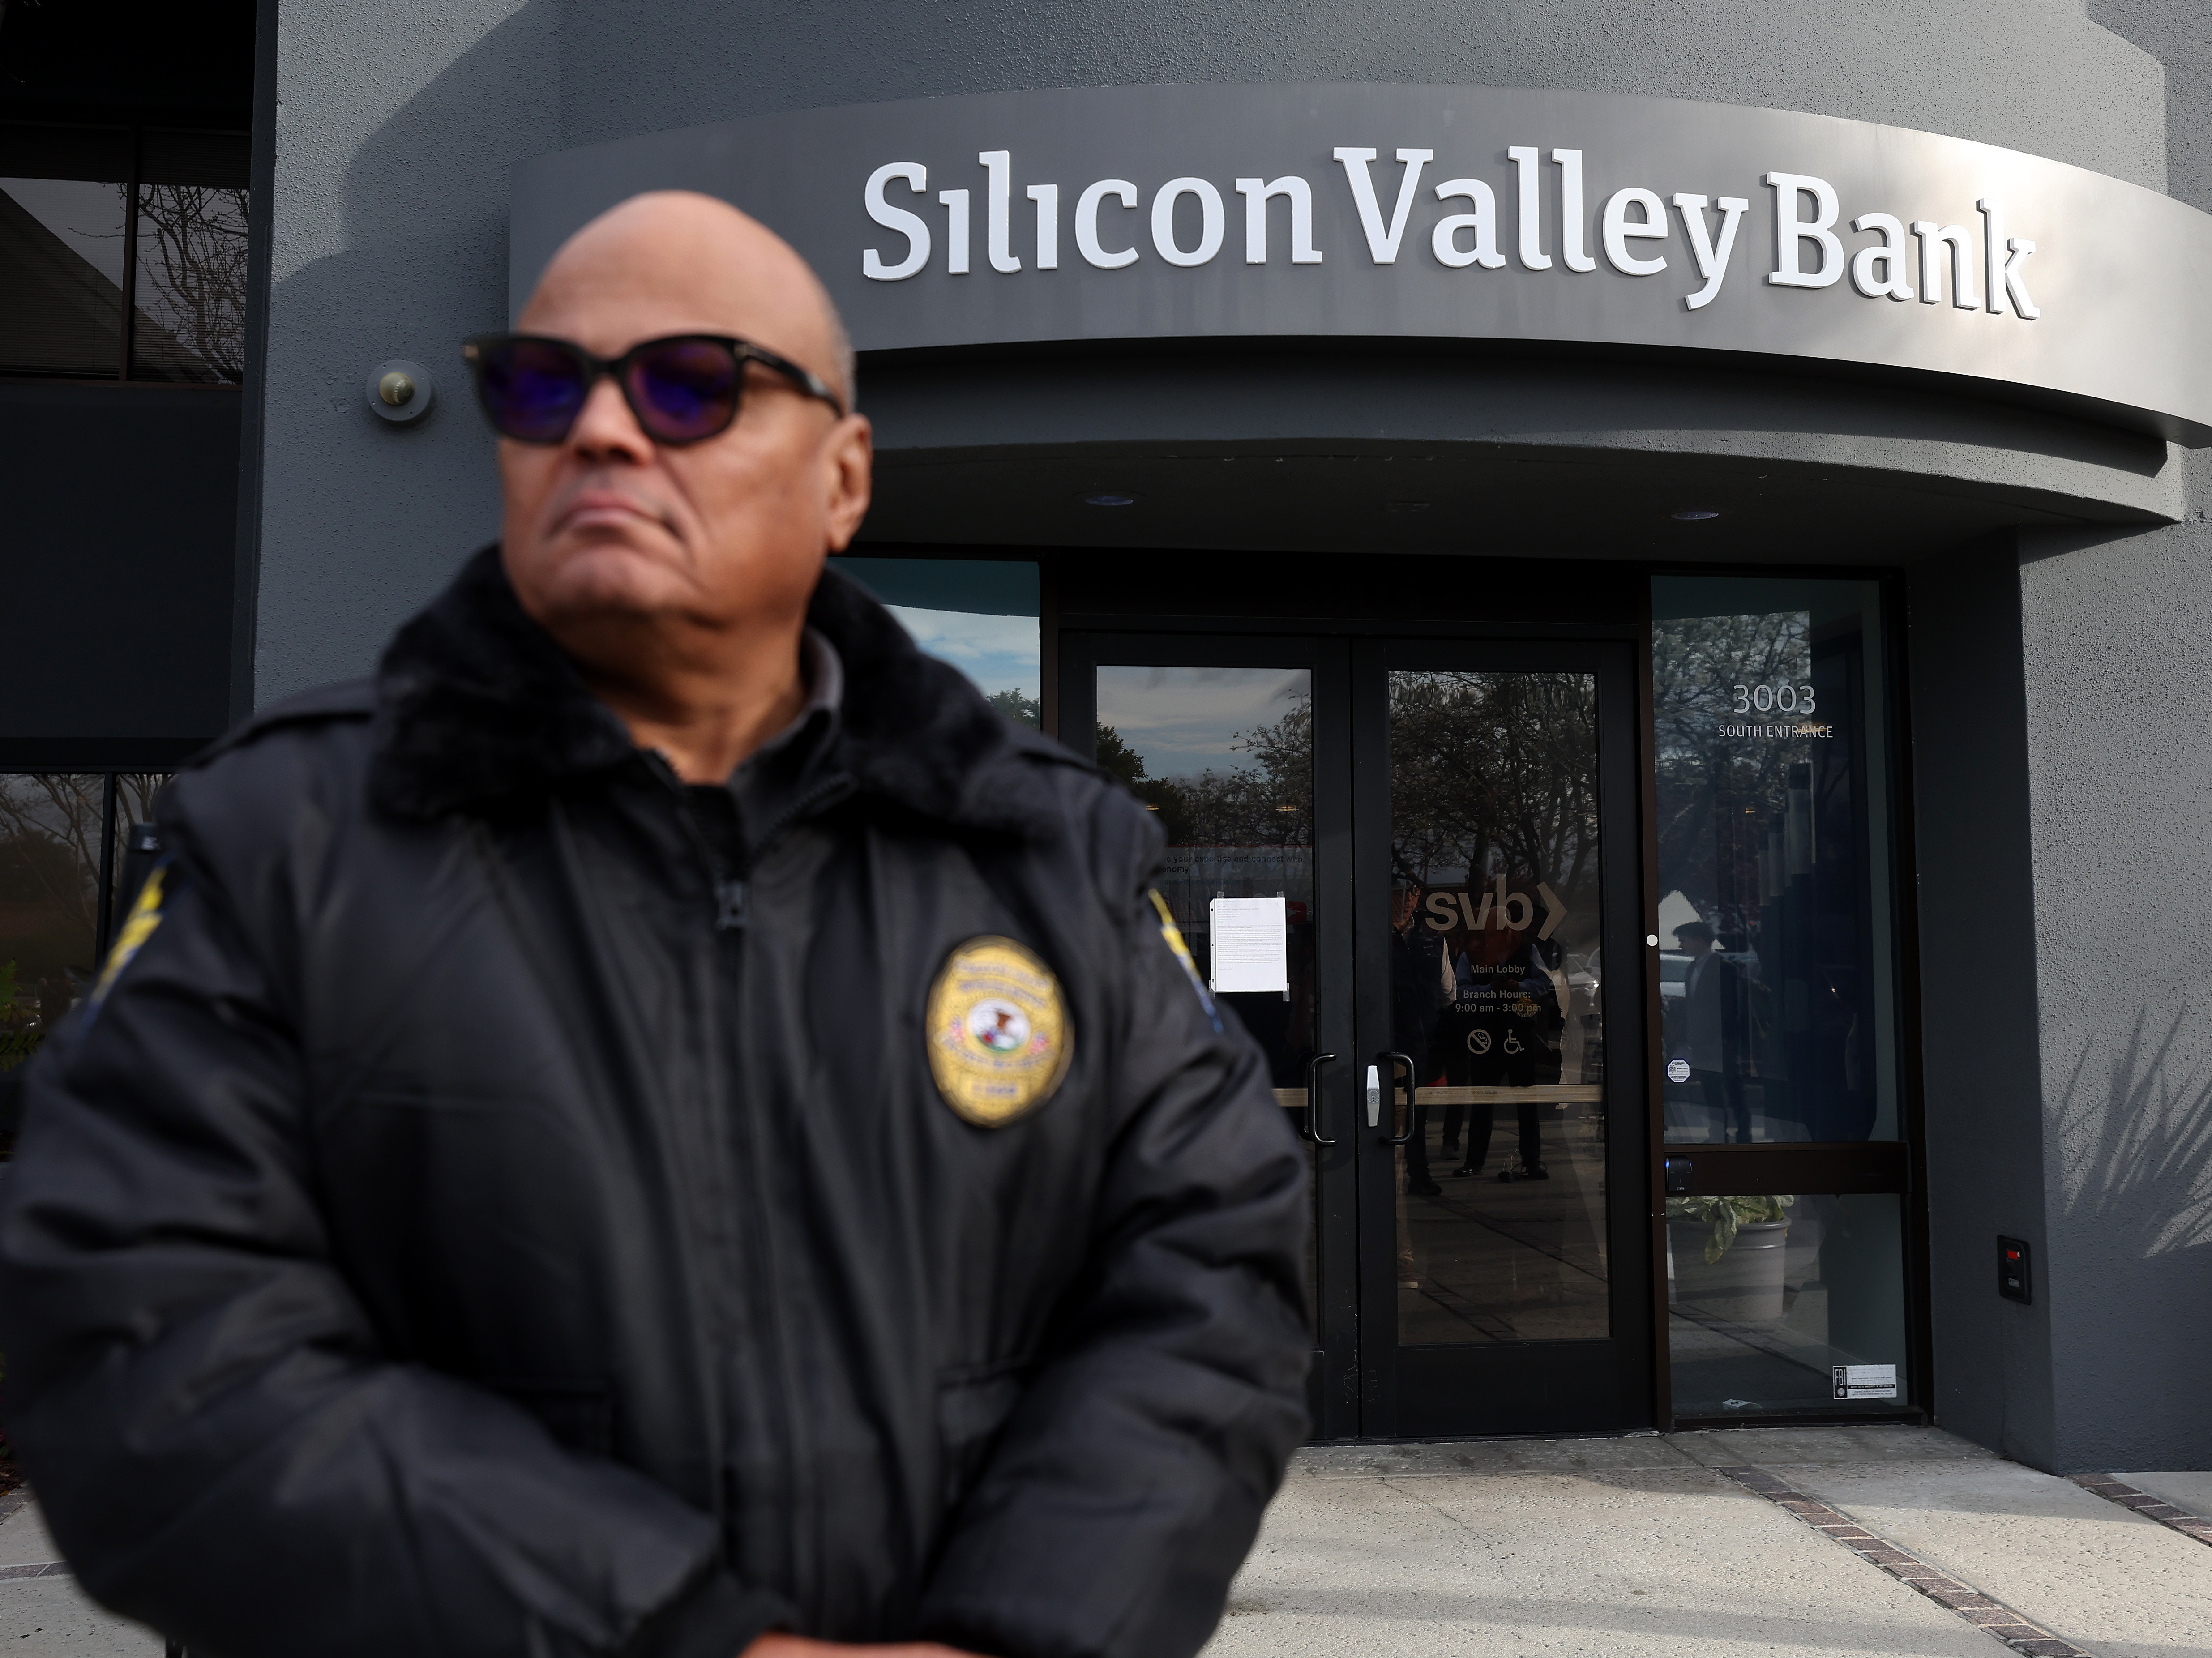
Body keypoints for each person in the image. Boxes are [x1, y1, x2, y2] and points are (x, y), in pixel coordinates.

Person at [0, 192, 1310, 1658]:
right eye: (544, 385)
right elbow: (146, 1339)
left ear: (844, 476)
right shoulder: (275, 841)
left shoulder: (1056, 854)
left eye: (691, 385)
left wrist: (1038, 1627)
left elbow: (1211, 1275)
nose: (606, 434)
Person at [1672, 919, 1750, 1143]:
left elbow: (1732, 1005)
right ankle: (1718, 1133)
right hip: (1702, 1040)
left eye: (1683, 940)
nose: (1680, 945)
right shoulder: (1692, 968)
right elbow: (1692, 1006)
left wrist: (1727, 1036)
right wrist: (1686, 1037)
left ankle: (1743, 1133)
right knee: (1711, 1088)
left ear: (1699, 940)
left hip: (1721, 1039)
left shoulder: (1724, 968)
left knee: (1733, 1087)